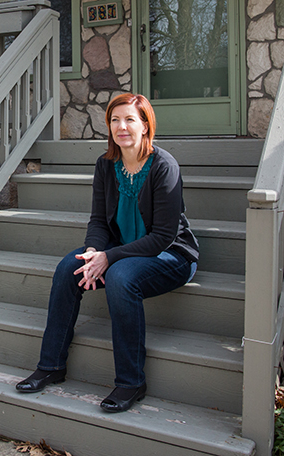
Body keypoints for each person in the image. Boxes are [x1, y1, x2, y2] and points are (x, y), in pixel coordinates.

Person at [15, 93, 198, 413]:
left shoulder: (164, 166)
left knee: (121, 278)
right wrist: (92, 252)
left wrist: (108, 258)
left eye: (130, 119)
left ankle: (131, 381)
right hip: (120, 247)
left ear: (145, 125)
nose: (121, 126)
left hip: (170, 255)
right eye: (115, 119)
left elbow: (163, 237)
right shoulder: (105, 165)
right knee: (67, 268)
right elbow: (99, 221)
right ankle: (51, 365)